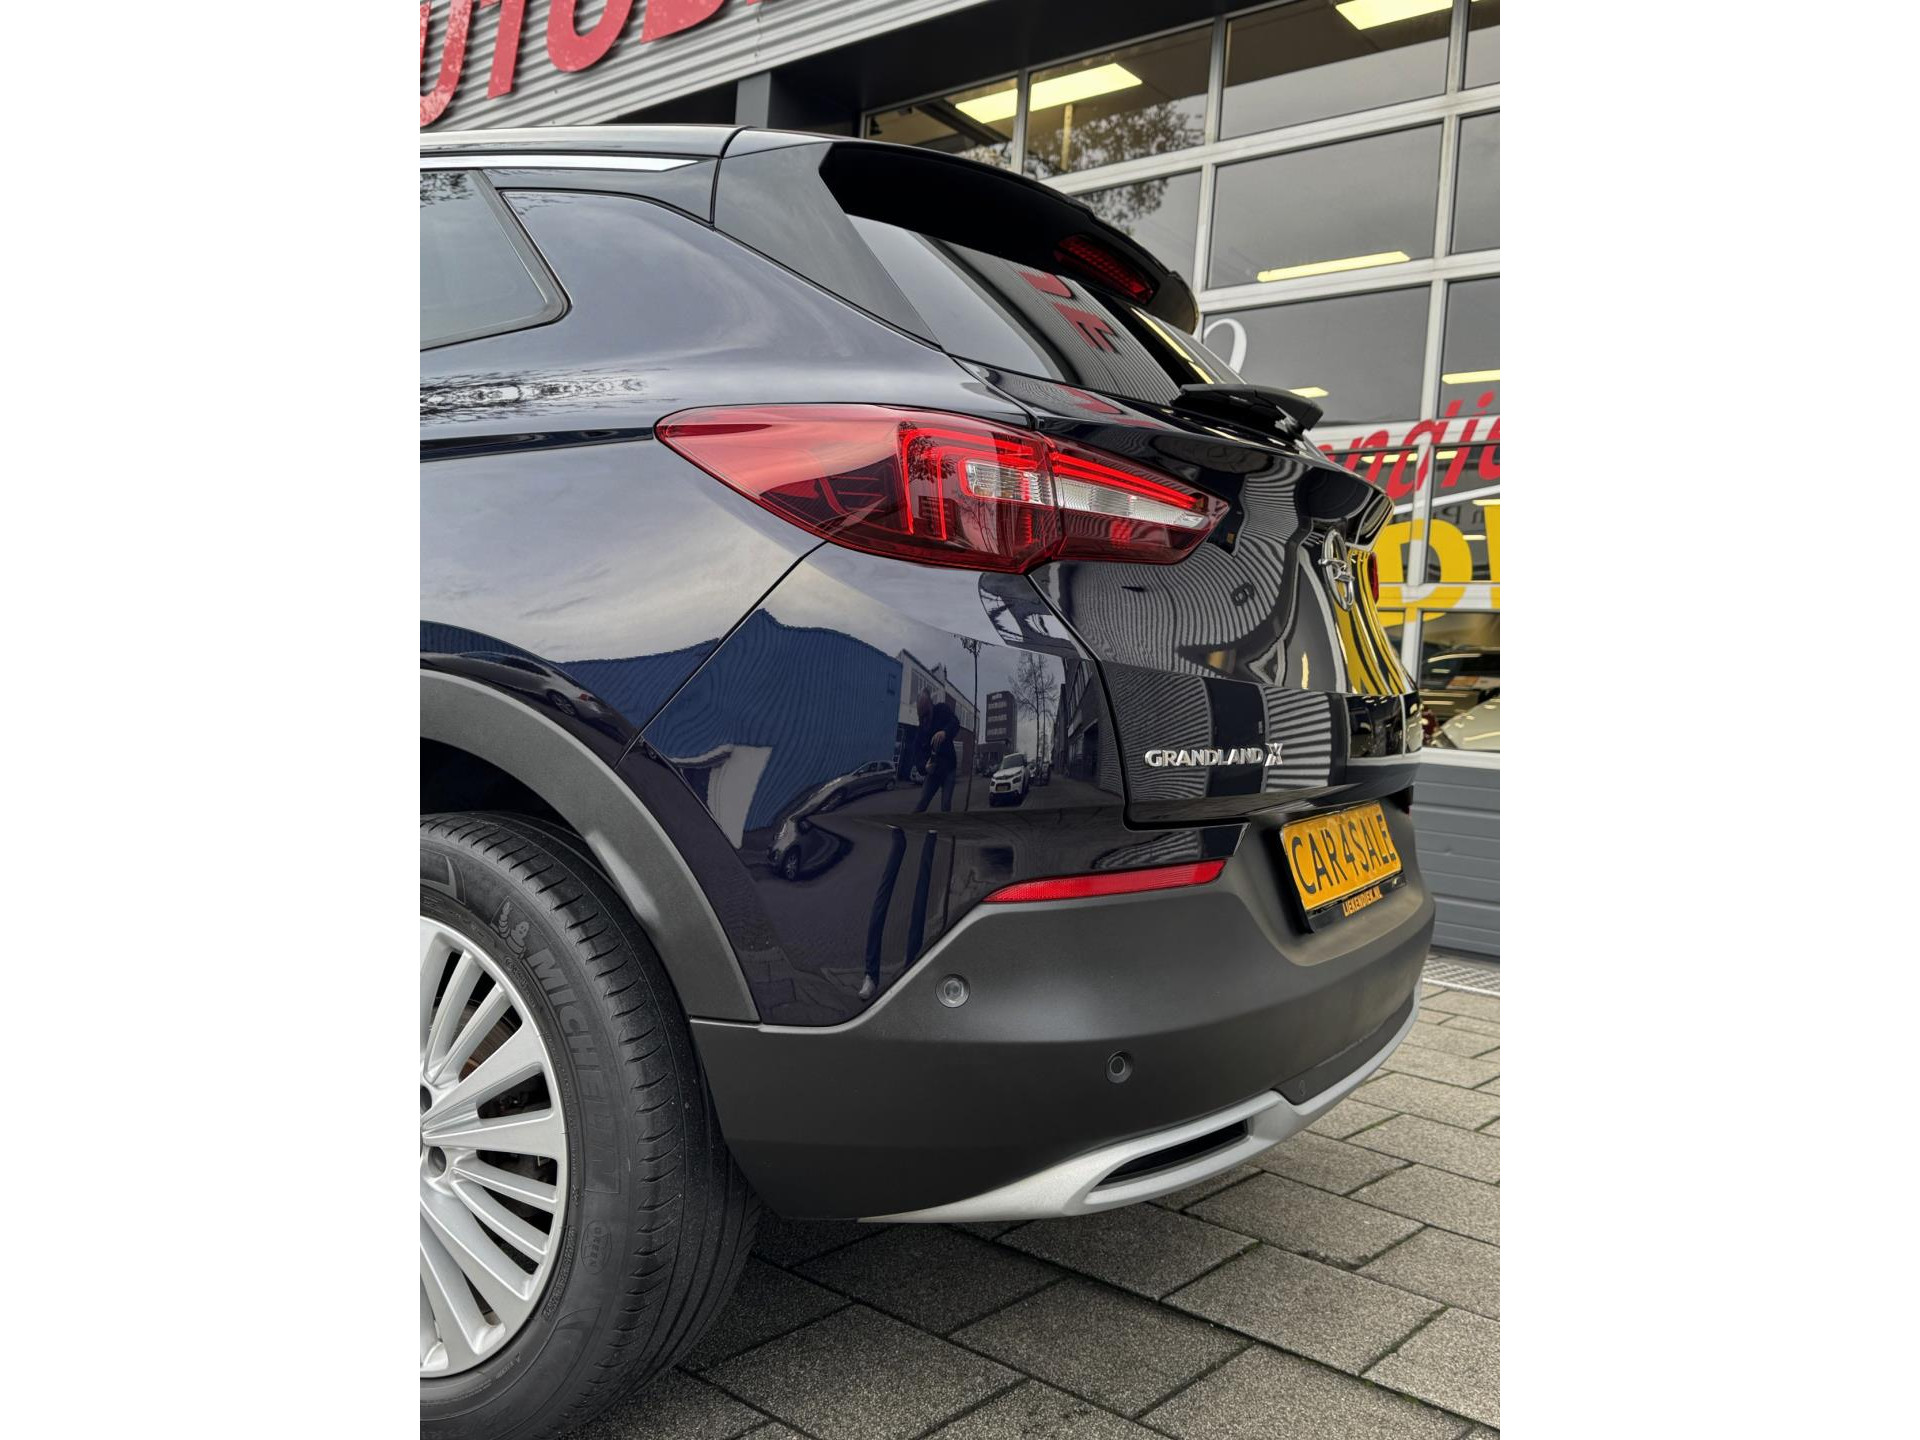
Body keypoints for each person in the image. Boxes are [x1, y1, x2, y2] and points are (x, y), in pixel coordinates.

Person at [861, 689, 959, 999]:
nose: (926, 719)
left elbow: (955, 724)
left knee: (945, 807)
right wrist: (923, 767)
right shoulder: (919, 731)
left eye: (927, 714)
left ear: (931, 706)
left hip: (949, 770)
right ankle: (905, 828)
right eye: (922, 716)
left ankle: (939, 831)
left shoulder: (941, 712)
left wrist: (945, 732)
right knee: (920, 805)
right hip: (934, 773)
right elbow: (917, 758)